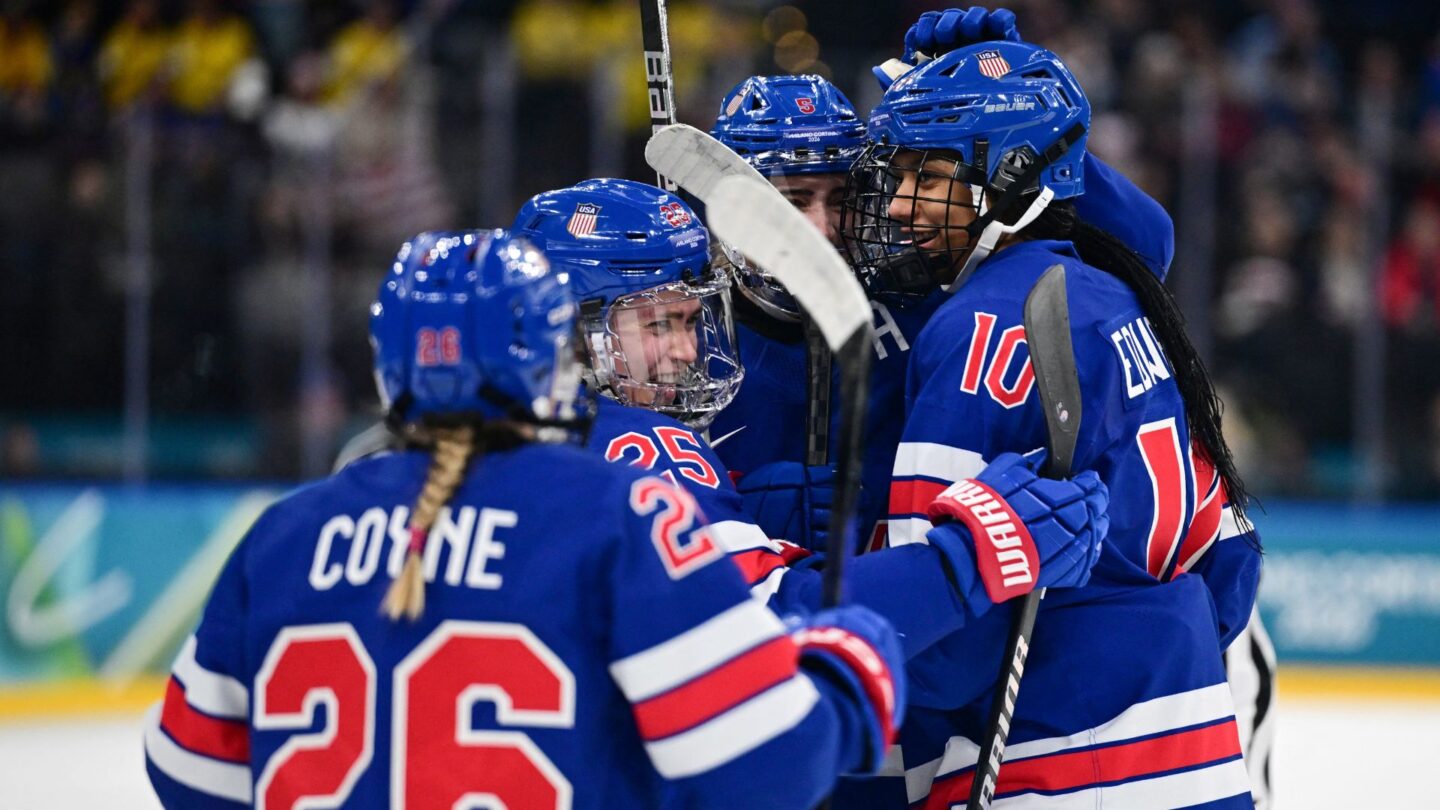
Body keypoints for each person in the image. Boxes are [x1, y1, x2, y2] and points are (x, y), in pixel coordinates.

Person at [141, 229, 910, 809]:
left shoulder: (281, 537)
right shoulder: (620, 510)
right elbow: (770, 765)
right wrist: (850, 668)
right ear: (553, 358)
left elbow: (186, 773)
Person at [841, 36, 1263, 807]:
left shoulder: (977, 327)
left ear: (1008, 177)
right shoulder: (1127, 300)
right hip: (1194, 743)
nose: (900, 203)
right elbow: (1231, 569)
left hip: (1046, 763)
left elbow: (943, 653)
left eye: (928, 175)